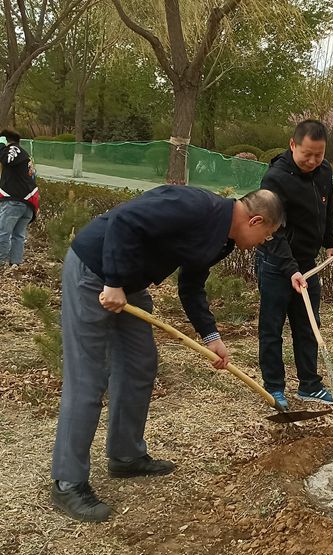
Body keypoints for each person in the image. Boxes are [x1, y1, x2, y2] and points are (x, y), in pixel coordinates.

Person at [51, 185, 283, 523]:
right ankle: (68, 481)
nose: (264, 242)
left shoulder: (222, 239)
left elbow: (191, 284)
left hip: (128, 284)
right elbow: (124, 220)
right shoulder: (195, 206)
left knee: (140, 364)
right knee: (88, 377)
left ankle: (126, 456)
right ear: (256, 220)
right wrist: (112, 282)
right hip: (94, 271)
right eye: (267, 235)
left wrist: (211, 335)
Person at [255, 120, 333, 410]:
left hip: (306, 263)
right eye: (307, 154)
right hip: (275, 262)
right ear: (293, 145)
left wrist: (330, 242)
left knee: (308, 325)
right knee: (272, 327)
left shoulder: (324, 170)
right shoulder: (275, 179)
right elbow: (273, 232)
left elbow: (328, 208)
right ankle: (274, 387)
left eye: (319, 154)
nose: (313, 161)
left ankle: (309, 385)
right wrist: (290, 269)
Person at [0, 129, 39, 269]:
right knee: (18, 235)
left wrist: (1, 146)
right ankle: (15, 263)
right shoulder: (25, 155)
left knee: (3, 232)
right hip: (28, 202)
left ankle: (1, 263)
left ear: (6, 140)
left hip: (15, 201)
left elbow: (7, 159)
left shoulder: (13, 150)